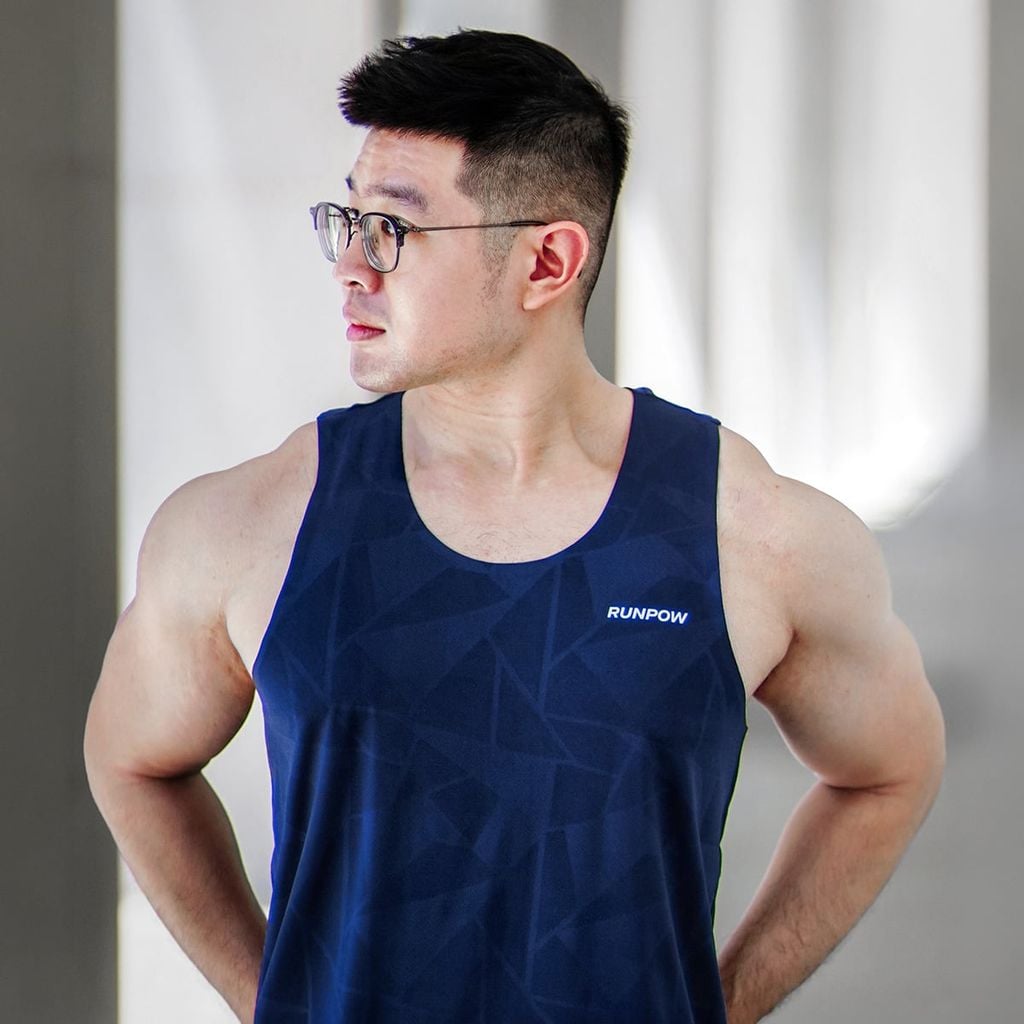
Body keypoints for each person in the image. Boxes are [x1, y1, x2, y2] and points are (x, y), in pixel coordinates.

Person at [83, 28, 946, 1024]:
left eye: (393, 228)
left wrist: (717, 1004)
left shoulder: (754, 535)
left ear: (547, 261)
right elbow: (131, 761)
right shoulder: (245, 526)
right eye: (347, 219)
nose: (351, 266)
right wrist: (273, 996)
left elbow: (890, 770)